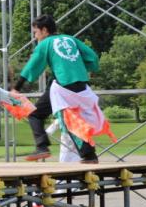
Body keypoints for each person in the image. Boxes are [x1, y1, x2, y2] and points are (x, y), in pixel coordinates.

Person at [13, 14, 100, 163]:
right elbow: (92, 57)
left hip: (64, 85)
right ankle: (89, 155)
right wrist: (83, 68)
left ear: (44, 30)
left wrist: (17, 87)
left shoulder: (45, 43)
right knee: (70, 120)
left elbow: (32, 66)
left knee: (35, 115)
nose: (35, 36)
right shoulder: (71, 39)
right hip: (81, 85)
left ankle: (42, 147)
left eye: (36, 32)